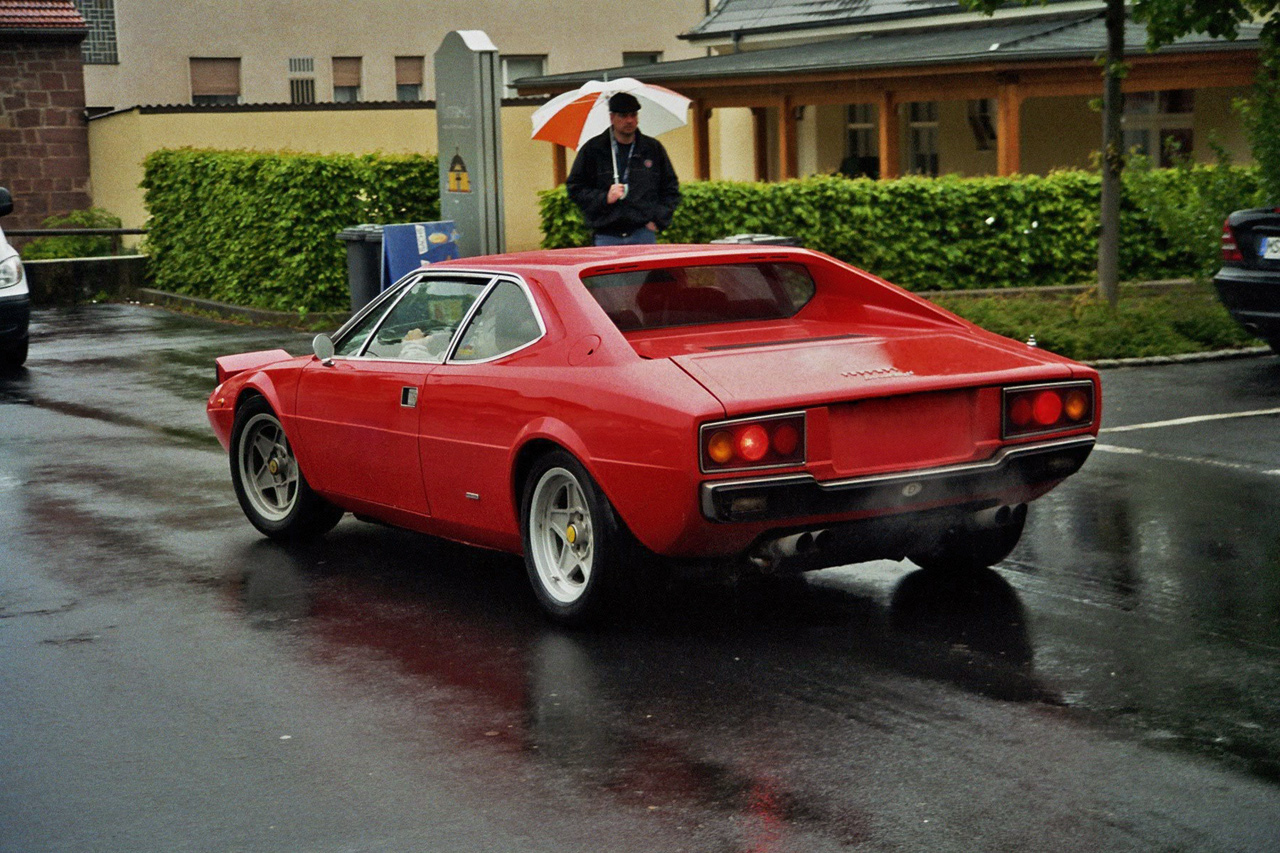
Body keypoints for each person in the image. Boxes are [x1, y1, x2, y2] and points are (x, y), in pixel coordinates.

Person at [566, 91, 681, 246]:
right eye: (623, 116)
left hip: (643, 233)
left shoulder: (652, 149)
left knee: (645, 272)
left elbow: (670, 188)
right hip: (606, 234)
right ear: (612, 117)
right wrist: (604, 197)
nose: (629, 120)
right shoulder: (593, 149)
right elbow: (575, 188)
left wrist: (657, 220)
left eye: (633, 115)